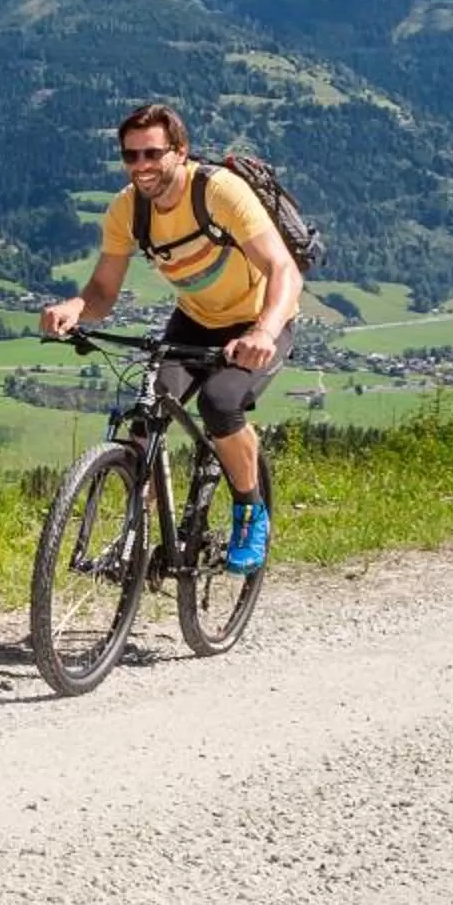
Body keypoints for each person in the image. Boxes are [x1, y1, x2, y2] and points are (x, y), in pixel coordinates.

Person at [38, 103, 302, 573]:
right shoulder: (127, 209)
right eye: (131, 155)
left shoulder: (219, 192)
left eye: (152, 154)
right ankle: (136, 536)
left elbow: (284, 269)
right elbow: (102, 292)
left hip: (259, 320)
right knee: (149, 411)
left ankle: (250, 511)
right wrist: (75, 308)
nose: (141, 165)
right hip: (195, 320)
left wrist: (264, 330)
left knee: (221, 404)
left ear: (180, 151)